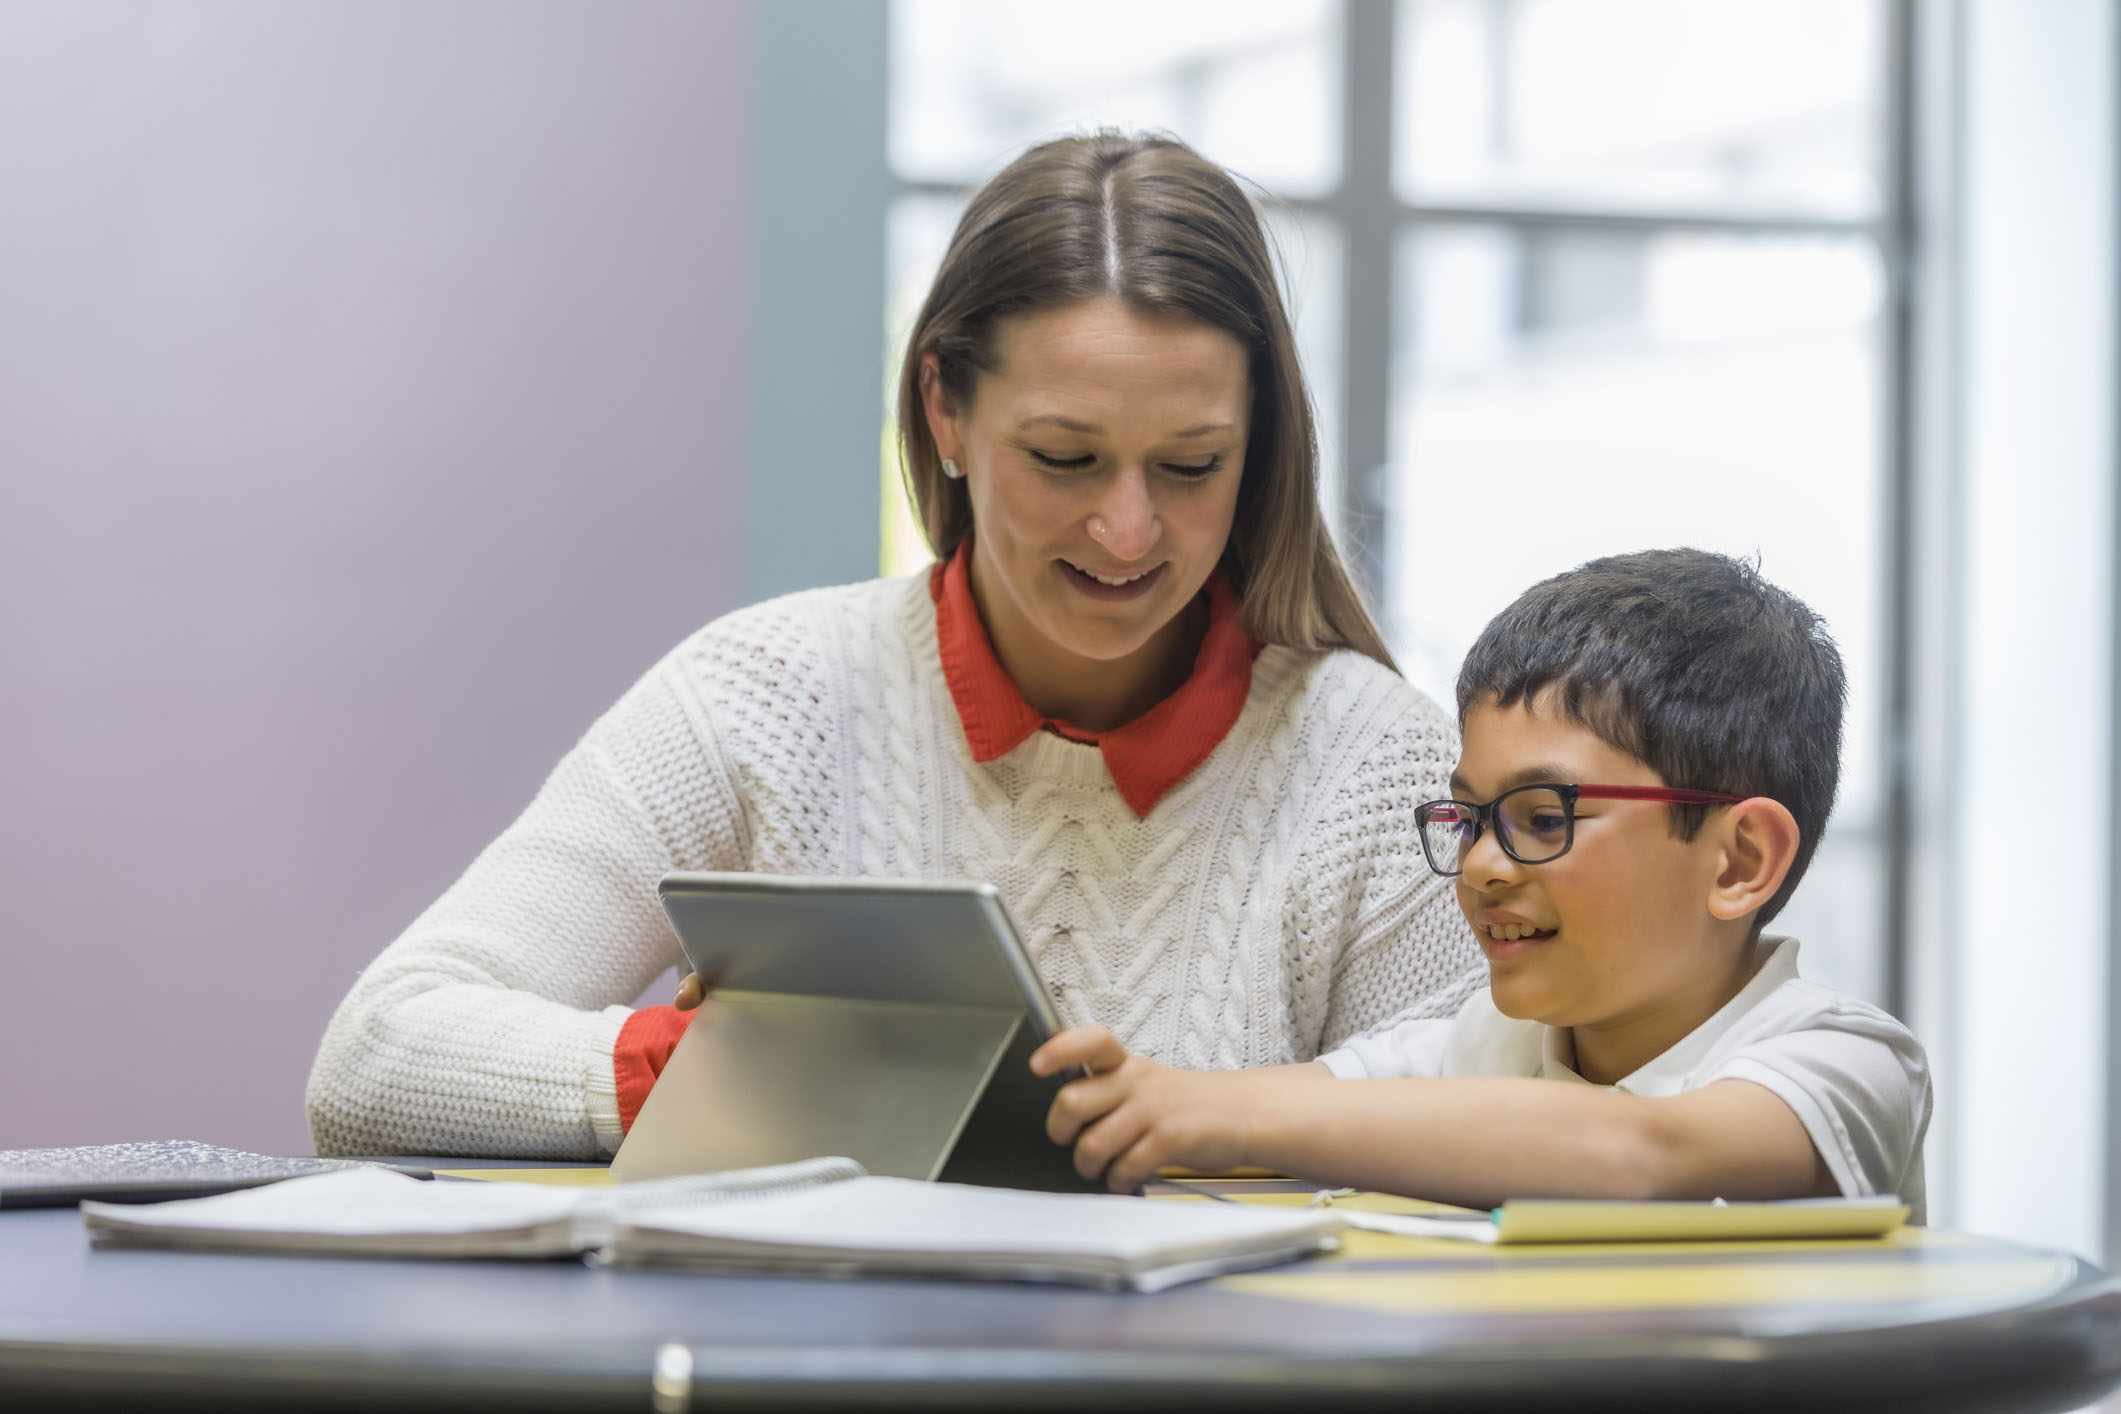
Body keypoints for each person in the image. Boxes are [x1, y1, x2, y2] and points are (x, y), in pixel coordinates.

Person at [306, 132, 1481, 1160]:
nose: (1129, 530)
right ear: (944, 411)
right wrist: (743, 1070)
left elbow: (1497, 1118)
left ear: (1258, 442)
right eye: (1064, 458)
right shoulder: (762, 697)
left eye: (1191, 466)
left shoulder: (1378, 769)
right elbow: (378, 1056)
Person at [1035, 549, 1932, 1221]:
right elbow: (1300, 1104)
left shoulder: (1841, 1061)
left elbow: (1645, 1155)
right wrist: (1133, 1106)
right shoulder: (1487, 1044)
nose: (1481, 865)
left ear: (1738, 862)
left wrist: (1205, 1115)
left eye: (1542, 820)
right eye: (1466, 819)